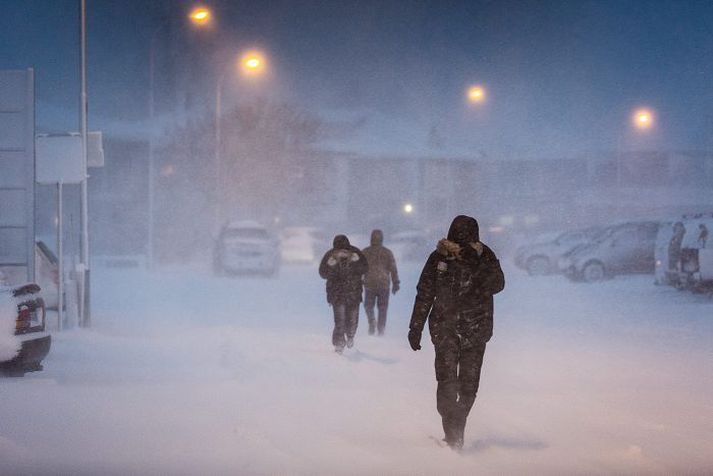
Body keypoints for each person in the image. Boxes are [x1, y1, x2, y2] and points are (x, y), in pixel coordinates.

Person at [407, 215, 505, 450]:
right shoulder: (439, 257)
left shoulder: (485, 256)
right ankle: (452, 433)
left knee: (469, 386)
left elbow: (497, 285)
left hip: (476, 330)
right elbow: (425, 292)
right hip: (445, 329)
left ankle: (457, 424)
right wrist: (415, 327)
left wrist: (478, 262)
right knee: (447, 381)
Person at [319, 235, 368, 354]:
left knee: (352, 320)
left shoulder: (356, 253)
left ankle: (350, 336)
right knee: (340, 321)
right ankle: (339, 343)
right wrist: (331, 265)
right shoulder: (330, 255)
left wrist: (356, 263)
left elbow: (365, 268)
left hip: (353, 293)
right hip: (339, 293)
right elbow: (323, 273)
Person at [362, 229, 400, 336]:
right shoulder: (387, 253)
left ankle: (371, 320)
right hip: (384, 284)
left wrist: (359, 280)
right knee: (383, 308)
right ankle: (381, 329)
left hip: (369, 283)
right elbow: (393, 268)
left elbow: (359, 268)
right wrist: (395, 282)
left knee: (368, 305)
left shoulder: (365, 252)